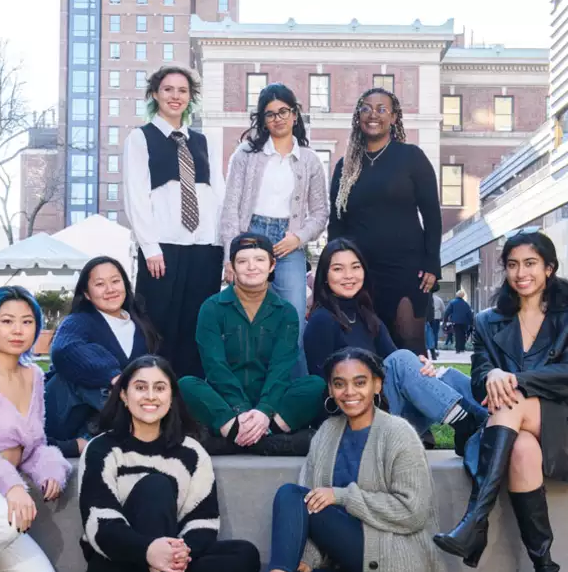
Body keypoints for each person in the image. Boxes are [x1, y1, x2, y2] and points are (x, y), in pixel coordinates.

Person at [224, 347, 448, 572]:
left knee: (291, 495)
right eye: (339, 384)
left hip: (398, 561)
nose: (349, 392)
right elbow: (313, 510)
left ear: (377, 385)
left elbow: (413, 511)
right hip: (353, 567)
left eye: (360, 382)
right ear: (330, 388)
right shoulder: (327, 433)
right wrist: (310, 560)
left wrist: (344, 496)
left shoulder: (398, 433)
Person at [434, 231, 568, 572]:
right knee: (522, 449)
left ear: (549, 267)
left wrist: (515, 380)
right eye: (512, 265)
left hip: (562, 429)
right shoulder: (488, 322)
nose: (520, 273)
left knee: (513, 399)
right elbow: (479, 381)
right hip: (521, 435)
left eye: (530, 263)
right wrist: (491, 372)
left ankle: (476, 521)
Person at [78, 355, 260, 572]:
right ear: (124, 395)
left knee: (245, 556)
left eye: (160, 388)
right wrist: (150, 551)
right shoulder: (101, 449)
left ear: (172, 396)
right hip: (117, 567)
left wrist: (177, 555)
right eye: (140, 387)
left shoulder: (191, 452)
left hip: (171, 564)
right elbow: (100, 524)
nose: (150, 396)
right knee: (156, 486)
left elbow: (203, 523)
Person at [304, 239, 487, 455]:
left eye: (355, 267)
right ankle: (467, 423)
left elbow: (400, 366)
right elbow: (325, 389)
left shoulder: (367, 316)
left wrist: (423, 368)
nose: (348, 275)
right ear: (324, 276)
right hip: (354, 425)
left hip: (387, 416)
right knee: (401, 359)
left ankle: (494, 423)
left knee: (449, 376)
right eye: (338, 269)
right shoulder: (321, 321)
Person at [0, 287, 71, 572]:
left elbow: (35, 444)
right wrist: (12, 486)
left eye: (27, 321)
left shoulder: (34, 376)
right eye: (7, 320)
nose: (17, 330)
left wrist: (50, 470)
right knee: (3, 516)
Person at [179, 233, 326, 456]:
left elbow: (281, 367)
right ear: (232, 266)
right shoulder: (212, 308)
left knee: (315, 386)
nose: (251, 267)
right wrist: (241, 410)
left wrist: (264, 410)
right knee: (186, 385)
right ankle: (266, 439)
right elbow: (214, 366)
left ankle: (238, 438)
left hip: (272, 402)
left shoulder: (285, 312)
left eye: (259, 260)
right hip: (226, 404)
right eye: (242, 261)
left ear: (271, 264)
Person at [123, 65, 225, 378]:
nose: (175, 96)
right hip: (163, 249)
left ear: (191, 97)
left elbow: (218, 196)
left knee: (196, 331)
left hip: (204, 248)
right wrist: (150, 246)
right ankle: (153, 400)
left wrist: (223, 246)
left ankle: (189, 408)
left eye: (182, 90)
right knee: (157, 329)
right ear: (155, 94)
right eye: (168, 89)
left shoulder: (203, 141)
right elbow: (136, 196)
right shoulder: (140, 138)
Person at [220, 83, 329, 375]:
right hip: (249, 236)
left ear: (295, 114)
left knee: (293, 318)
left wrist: (298, 238)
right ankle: (246, 395)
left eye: (284, 111)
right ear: (263, 120)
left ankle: (297, 396)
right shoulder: (245, 154)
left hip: (288, 242)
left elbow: (320, 213)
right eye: (270, 114)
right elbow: (230, 208)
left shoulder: (310, 160)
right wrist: (229, 258)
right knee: (246, 317)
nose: (278, 118)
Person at [328, 88, 442, 355]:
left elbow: (432, 215)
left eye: (381, 109)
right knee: (366, 349)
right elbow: (337, 225)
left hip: (407, 271)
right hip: (360, 274)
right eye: (366, 108)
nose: (373, 115)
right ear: (358, 117)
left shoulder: (412, 157)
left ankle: (418, 397)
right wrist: (332, 269)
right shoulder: (345, 167)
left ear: (393, 118)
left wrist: (432, 263)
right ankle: (378, 398)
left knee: (410, 348)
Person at [45, 256, 158, 457]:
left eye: (115, 281)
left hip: (102, 423)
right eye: (100, 284)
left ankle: (94, 440)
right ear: (87, 294)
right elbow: (62, 350)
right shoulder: (79, 321)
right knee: (85, 364)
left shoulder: (141, 325)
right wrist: (113, 376)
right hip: (66, 414)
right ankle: (141, 428)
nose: (110, 289)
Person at [444, 289, 473, 354]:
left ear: (457, 295)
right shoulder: (466, 304)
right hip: (465, 322)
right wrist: (472, 323)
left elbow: (447, 312)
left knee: (457, 334)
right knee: (463, 334)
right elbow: (469, 313)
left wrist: (445, 320)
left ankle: (458, 349)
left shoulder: (452, 302)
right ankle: (462, 348)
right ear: (463, 296)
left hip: (456, 321)